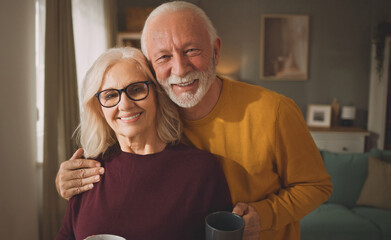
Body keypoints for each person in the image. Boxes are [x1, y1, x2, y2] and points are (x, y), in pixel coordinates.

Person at [56, 2, 333, 240]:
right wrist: (65, 179)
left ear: (215, 50)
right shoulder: (155, 115)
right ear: (152, 71)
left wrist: (264, 215)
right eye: (164, 57)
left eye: (191, 51)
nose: (180, 68)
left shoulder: (275, 111)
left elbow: (317, 186)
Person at [55, 47, 232, 240]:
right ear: (99, 109)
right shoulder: (87, 173)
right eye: (110, 95)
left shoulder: (201, 170)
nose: (124, 105)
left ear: (157, 94)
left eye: (137, 89)